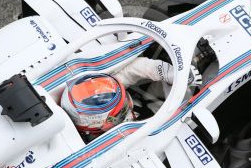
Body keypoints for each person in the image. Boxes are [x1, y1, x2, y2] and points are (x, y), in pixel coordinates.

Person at [61, 57, 202, 140]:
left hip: (148, 105)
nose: (124, 103)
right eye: (121, 108)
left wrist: (171, 74)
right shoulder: (116, 141)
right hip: (159, 129)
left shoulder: (95, 101)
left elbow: (134, 69)